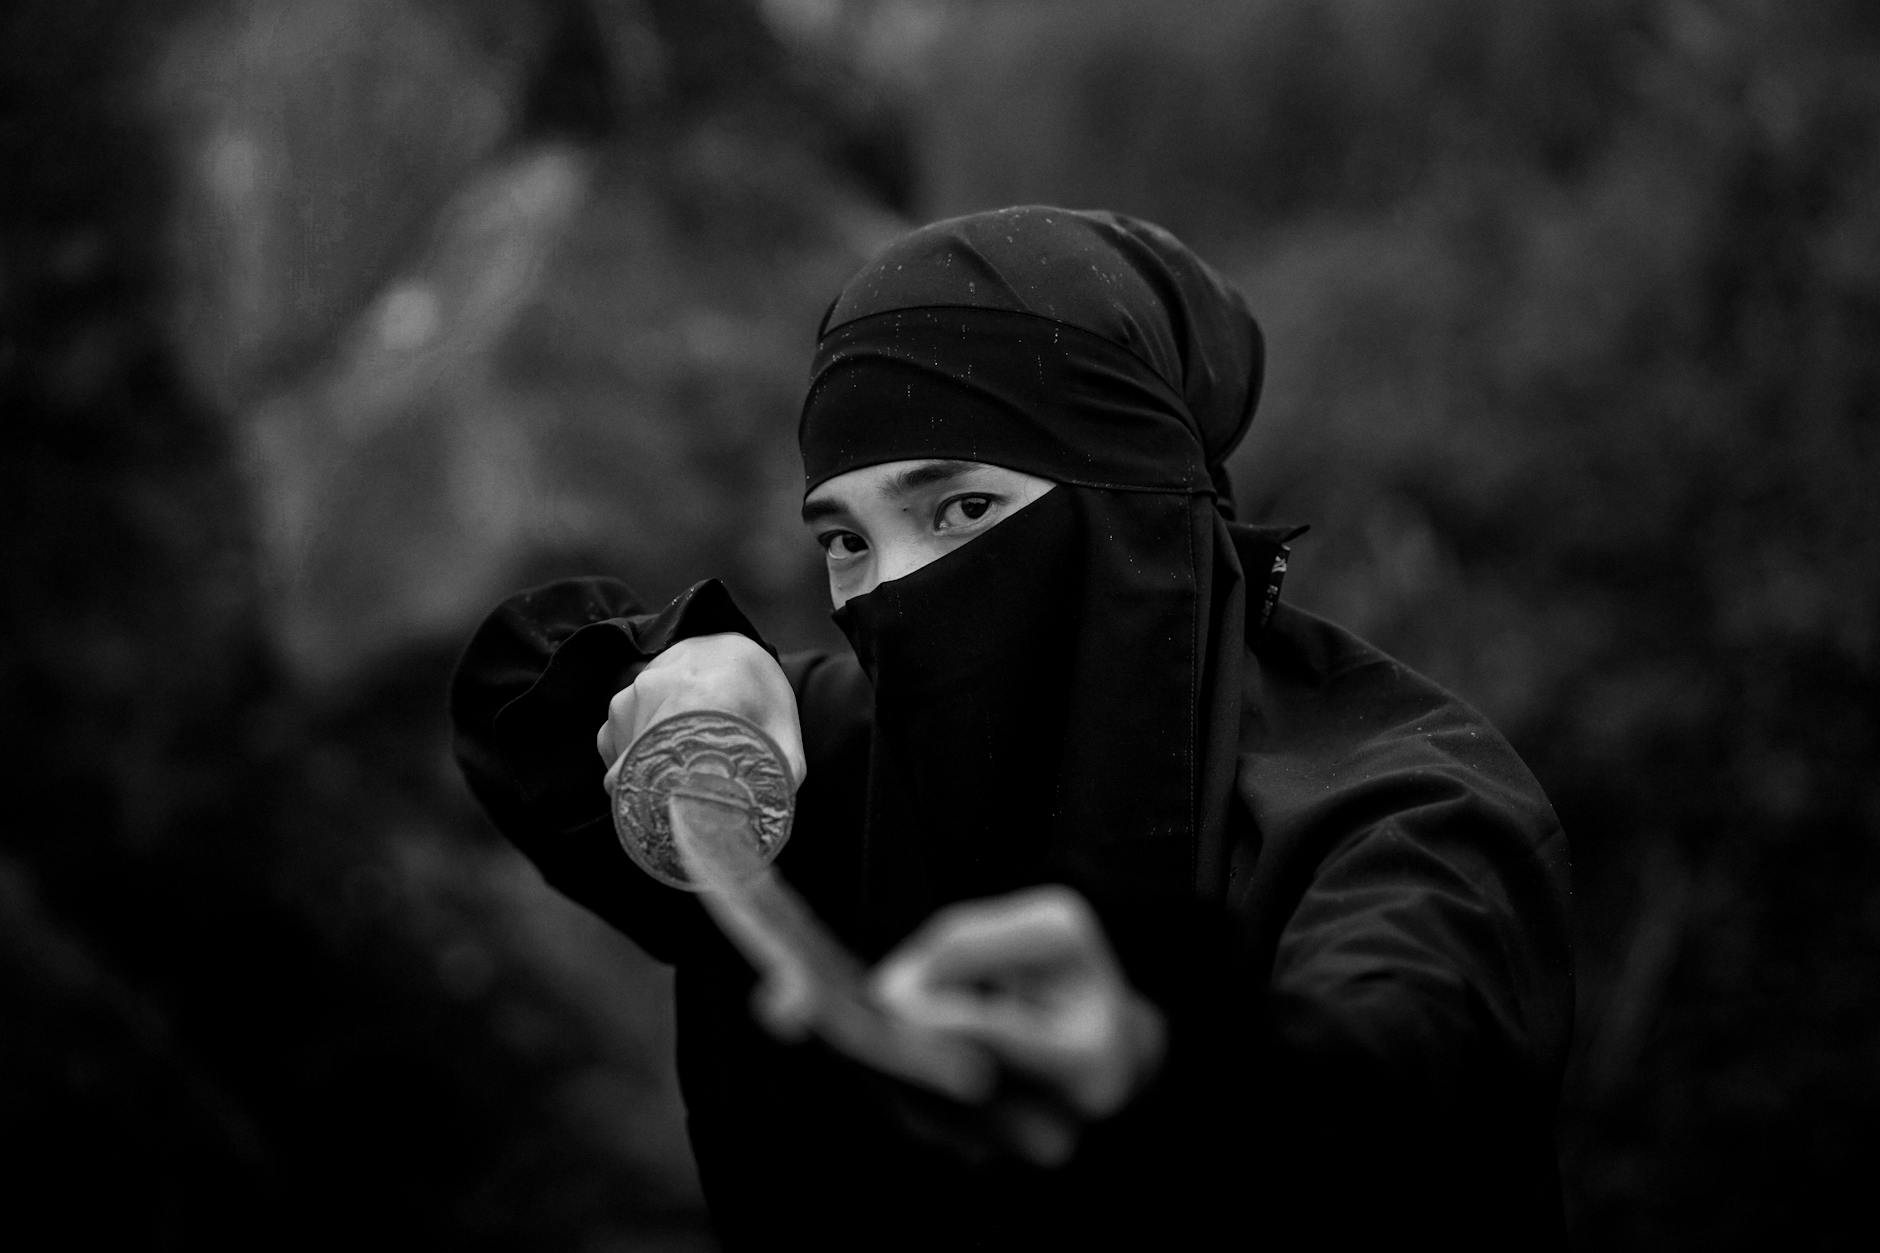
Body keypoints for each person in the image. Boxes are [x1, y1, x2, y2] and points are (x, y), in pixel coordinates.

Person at [450, 206, 1574, 1249]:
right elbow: (520, 698)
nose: (890, 589)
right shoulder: (855, 755)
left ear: (1128, 506)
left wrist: (1160, 1070)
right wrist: (692, 667)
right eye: (844, 540)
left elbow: (1398, 1068)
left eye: (962, 509)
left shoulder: (1404, 804)